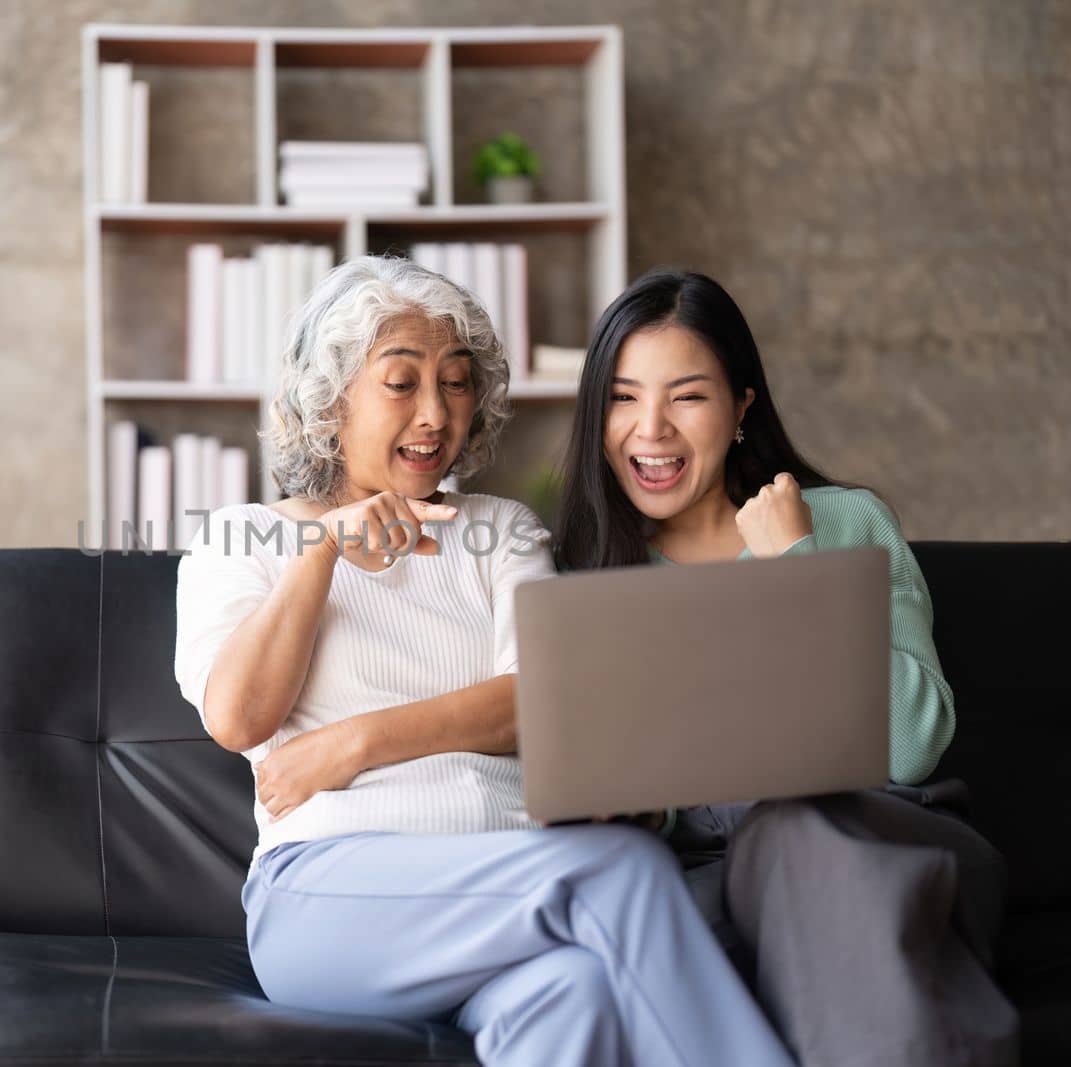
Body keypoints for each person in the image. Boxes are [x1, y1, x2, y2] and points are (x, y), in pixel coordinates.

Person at [173, 255, 792, 1067]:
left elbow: (537, 699)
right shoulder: (241, 540)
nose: (436, 414)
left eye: (458, 383)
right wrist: (322, 552)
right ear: (331, 399)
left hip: (511, 888)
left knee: (574, 996)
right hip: (331, 894)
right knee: (620, 872)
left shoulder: (501, 529)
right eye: (402, 382)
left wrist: (354, 742)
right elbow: (239, 716)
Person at [552, 266, 1019, 1066]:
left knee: (798, 828)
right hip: (710, 874)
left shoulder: (843, 521)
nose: (651, 428)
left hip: (880, 836)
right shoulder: (580, 577)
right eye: (624, 397)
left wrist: (794, 569)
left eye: (687, 396)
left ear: (741, 407)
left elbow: (911, 743)